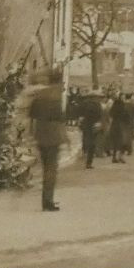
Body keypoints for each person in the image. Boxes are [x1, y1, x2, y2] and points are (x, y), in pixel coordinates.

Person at [27, 68, 68, 211]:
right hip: (53, 136)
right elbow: (60, 118)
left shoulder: (40, 94)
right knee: (51, 169)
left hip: (40, 134)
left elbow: (32, 116)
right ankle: (48, 201)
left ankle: (46, 200)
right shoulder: (56, 96)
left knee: (45, 168)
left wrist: (32, 135)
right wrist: (65, 138)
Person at [74, 90, 104, 169]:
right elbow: (99, 115)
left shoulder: (83, 104)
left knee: (86, 139)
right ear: (94, 97)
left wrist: (80, 121)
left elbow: (78, 113)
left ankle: (85, 153)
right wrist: (99, 123)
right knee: (92, 143)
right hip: (93, 125)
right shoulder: (97, 105)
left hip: (85, 125)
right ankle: (88, 162)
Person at [106, 92, 133, 164]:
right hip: (121, 125)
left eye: (124, 97)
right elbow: (126, 116)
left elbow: (111, 113)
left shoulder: (116, 104)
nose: (123, 98)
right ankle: (119, 156)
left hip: (116, 124)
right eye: (122, 97)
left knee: (117, 141)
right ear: (120, 97)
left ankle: (116, 157)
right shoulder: (121, 105)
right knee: (122, 141)